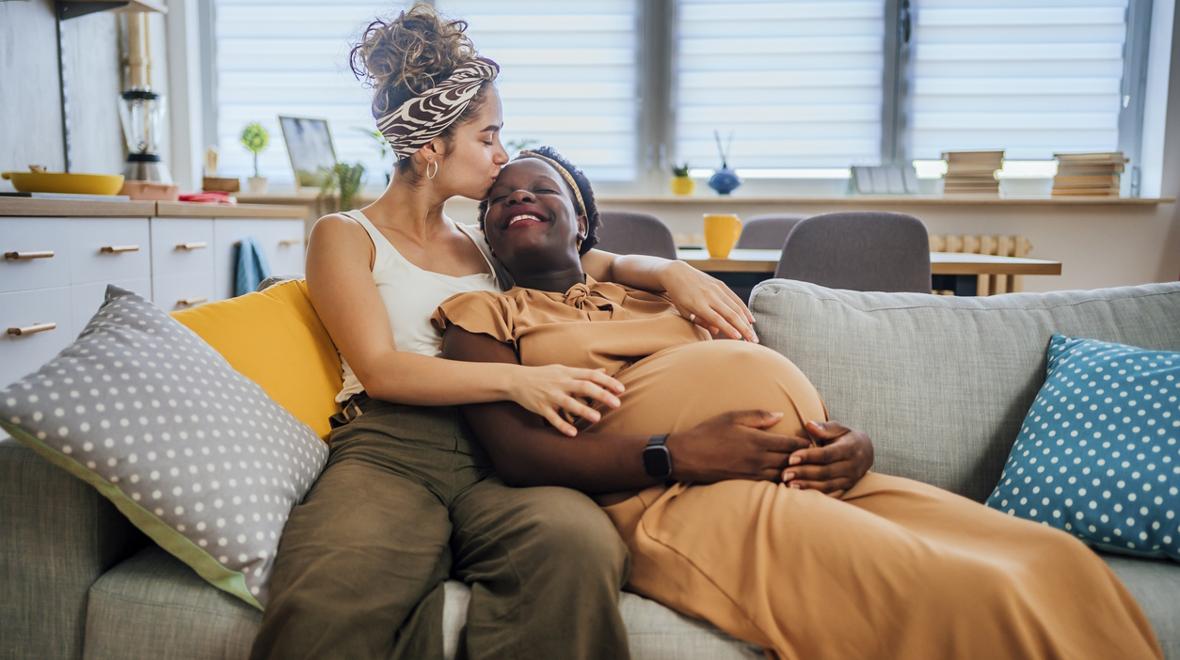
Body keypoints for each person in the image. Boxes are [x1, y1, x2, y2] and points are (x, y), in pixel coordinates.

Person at [430, 147, 1164, 660]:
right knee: (973, 591)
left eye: (539, 189)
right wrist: (674, 453)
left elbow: (760, 376)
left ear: (584, 223)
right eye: (497, 200)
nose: (516, 198)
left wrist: (851, 444)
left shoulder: (667, 291)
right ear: (486, 234)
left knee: (1050, 559)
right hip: (667, 496)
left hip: (812, 476)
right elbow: (517, 455)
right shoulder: (484, 314)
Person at [250, 6, 779, 659]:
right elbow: (382, 368)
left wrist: (675, 271)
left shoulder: (488, 242)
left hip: (501, 454)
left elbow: (602, 261)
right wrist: (520, 380)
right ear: (430, 146)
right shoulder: (344, 235)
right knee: (330, 594)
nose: (503, 156)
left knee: (577, 544)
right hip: (394, 450)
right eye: (489, 136)